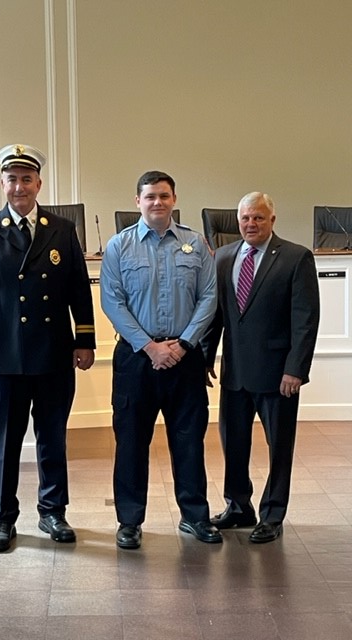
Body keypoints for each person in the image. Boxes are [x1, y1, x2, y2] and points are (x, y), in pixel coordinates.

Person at [0, 143, 95, 552]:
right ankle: (1, 518)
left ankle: (53, 511)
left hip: (53, 354)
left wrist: (85, 339)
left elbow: (77, 289)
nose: (20, 186)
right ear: (2, 183)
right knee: (6, 441)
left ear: (39, 183)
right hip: (4, 357)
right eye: (12, 179)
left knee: (53, 437)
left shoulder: (62, 229)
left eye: (27, 179)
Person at [100, 170, 221, 549]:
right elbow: (112, 302)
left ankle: (195, 517)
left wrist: (184, 345)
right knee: (132, 442)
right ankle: (130, 521)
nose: (157, 202)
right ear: (138, 201)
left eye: (164, 196)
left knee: (189, 441)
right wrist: (150, 348)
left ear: (174, 199)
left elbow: (209, 298)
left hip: (185, 358)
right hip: (137, 359)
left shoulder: (195, 244)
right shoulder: (119, 246)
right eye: (150, 196)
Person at [202, 192, 320, 543]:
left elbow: (305, 319)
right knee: (233, 444)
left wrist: (295, 369)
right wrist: (205, 358)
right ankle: (238, 506)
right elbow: (216, 317)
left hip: (278, 376)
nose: (251, 224)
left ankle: (273, 514)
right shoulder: (223, 257)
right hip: (235, 373)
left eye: (258, 218)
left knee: (279, 447)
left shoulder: (296, 257)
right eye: (245, 219)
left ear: (272, 220)